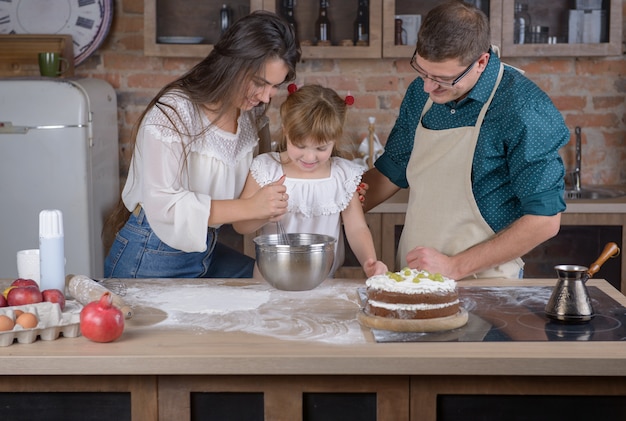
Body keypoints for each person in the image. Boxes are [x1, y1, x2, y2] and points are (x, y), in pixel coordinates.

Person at [362, 1, 569, 280]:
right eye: (422, 72)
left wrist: (453, 267)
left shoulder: (523, 108)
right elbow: (392, 171)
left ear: (481, 62)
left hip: (486, 282)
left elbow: (545, 220)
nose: (428, 87)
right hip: (415, 275)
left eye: (443, 79)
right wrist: (323, 205)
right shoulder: (421, 93)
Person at [104, 11, 301, 278]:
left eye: (275, 87)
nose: (267, 97)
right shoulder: (172, 114)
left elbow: (252, 204)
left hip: (203, 250)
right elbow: (165, 207)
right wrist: (251, 207)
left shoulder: (250, 116)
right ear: (232, 64)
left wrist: (313, 175)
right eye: (260, 83)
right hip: (150, 254)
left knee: (271, 286)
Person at [233, 84, 388, 278]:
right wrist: (264, 213)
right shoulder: (266, 169)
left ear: (335, 140)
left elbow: (357, 228)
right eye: (300, 146)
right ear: (286, 132)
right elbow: (240, 226)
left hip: (323, 281)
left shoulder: (342, 175)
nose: (309, 157)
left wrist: (369, 262)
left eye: (321, 148)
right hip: (269, 280)